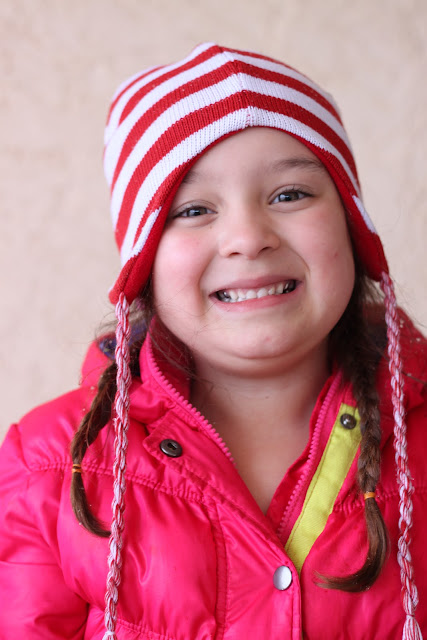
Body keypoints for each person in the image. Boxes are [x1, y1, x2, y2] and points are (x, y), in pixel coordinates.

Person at [0, 42, 426, 640]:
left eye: (290, 195)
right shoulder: (45, 465)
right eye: (194, 209)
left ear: (354, 227)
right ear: (143, 264)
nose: (248, 238)